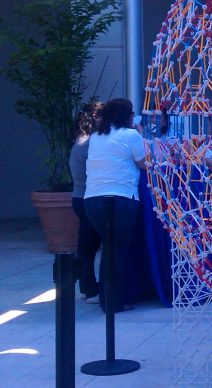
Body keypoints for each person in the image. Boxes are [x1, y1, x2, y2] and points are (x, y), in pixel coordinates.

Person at [83, 98, 147, 313]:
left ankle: (106, 298)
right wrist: (140, 132)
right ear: (126, 115)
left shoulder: (95, 137)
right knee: (118, 250)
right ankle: (114, 302)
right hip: (121, 197)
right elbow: (144, 163)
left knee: (108, 248)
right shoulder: (131, 135)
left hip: (92, 198)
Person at [70, 101, 103, 301]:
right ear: (97, 118)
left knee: (86, 244)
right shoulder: (91, 142)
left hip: (78, 196)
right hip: (86, 196)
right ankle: (90, 288)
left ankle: (86, 286)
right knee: (90, 244)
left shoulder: (80, 139)